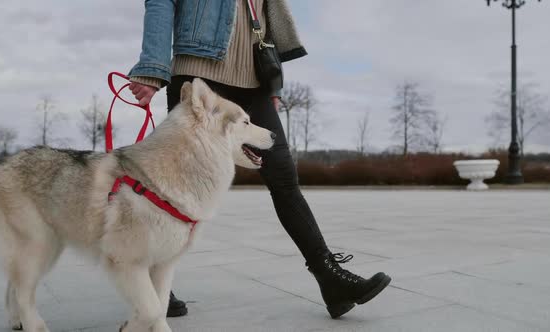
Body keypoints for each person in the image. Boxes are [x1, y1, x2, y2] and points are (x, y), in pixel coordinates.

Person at [128, 0, 391, 319]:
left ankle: (330, 277)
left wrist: (273, 80)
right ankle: (155, 286)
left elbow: (266, 15)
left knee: (284, 178)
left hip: (254, 79)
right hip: (200, 74)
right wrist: (153, 66)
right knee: (174, 187)